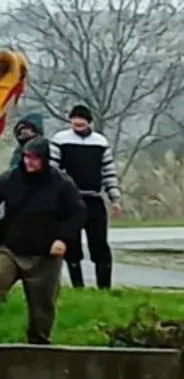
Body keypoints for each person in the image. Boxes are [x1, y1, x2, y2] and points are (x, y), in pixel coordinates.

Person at [0, 137, 86, 345]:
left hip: (45, 253)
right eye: (26, 157)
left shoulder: (61, 184)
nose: (29, 162)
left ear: (45, 160)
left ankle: (39, 340)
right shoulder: (13, 178)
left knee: (42, 303)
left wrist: (63, 239)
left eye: (34, 159)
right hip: (11, 246)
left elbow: (78, 213)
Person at [49, 104, 121, 289]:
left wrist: (114, 198)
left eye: (82, 119)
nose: (78, 122)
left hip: (94, 198)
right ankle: (78, 286)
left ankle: (104, 287)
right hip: (70, 200)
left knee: (100, 243)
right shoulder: (60, 140)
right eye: (74, 118)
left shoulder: (100, 142)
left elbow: (108, 173)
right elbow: (52, 170)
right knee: (72, 244)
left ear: (89, 122)